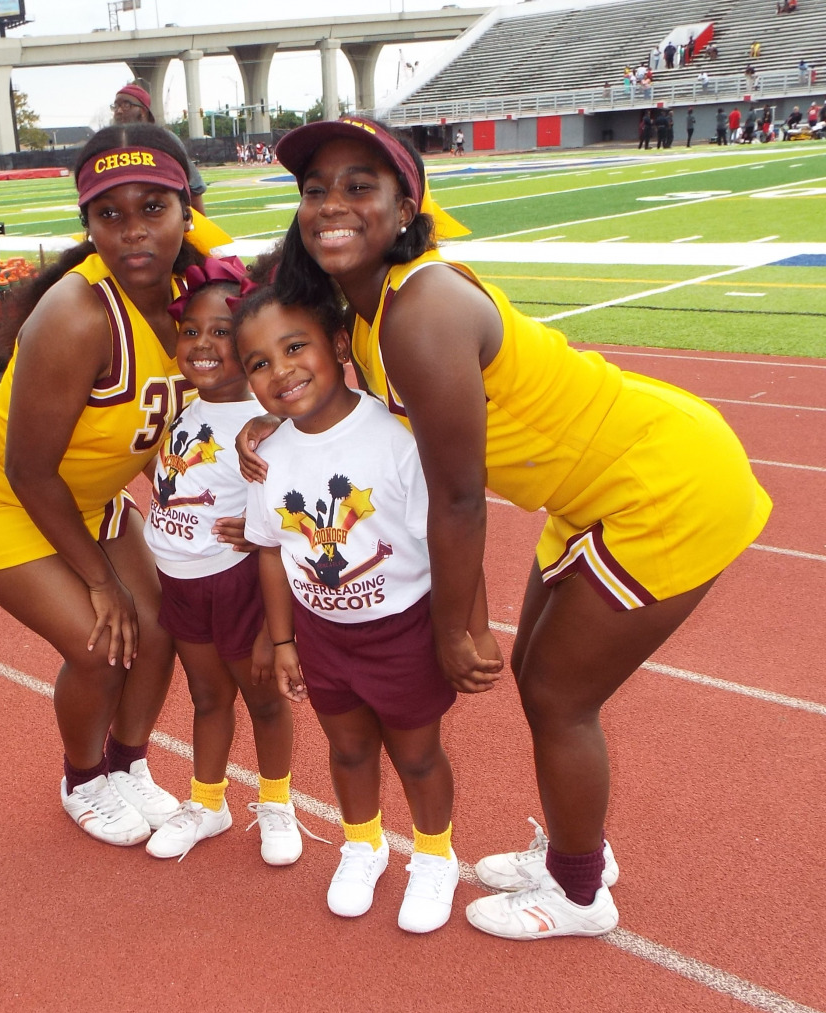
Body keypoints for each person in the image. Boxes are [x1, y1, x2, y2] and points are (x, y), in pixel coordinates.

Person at [243, 116, 771, 940]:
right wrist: (258, 425)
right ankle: (574, 850)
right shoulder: (375, 305)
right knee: (538, 675)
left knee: (560, 696)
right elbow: (271, 322)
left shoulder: (420, 310)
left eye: (358, 187)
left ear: (404, 205)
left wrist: (455, 626)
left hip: (660, 481)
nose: (331, 205)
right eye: (315, 191)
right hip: (598, 483)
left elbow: (457, 498)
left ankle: (580, 893)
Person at [0, 124, 222, 848]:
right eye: (108, 215)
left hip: (84, 493)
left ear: (189, 208)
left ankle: (126, 763)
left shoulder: (202, 295)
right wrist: (100, 582)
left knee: (163, 627)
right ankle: (82, 778)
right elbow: (28, 469)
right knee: (101, 641)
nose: (132, 232)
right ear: (87, 224)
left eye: (153, 208)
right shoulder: (78, 316)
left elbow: (157, 423)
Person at [236, 277, 498, 934]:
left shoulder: (397, 440)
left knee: (416, 754)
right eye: (260, 363)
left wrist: (470, 630)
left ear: (339, 342)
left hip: (403, 630)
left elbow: (451, 538)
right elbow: (270, 549)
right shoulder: (266, 457)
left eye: (296, 347)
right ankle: (363, 844)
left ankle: (435, 856)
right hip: (324, 636)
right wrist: (284, 639)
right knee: (347, 750)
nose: (281, 371)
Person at [141, 256, 310, 865]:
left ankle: (277, 803)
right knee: (207, 698)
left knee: (263, 699)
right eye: (192, 332)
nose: (204, 345)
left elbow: (290, 517)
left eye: (222, 333)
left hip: (236, 584)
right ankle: (207, 803)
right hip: (181, 582)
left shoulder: (265, 427)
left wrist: (275, 622)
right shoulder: (184, 408)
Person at [111, 82, 207, 214]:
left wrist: (198, 228)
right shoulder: (112, 145)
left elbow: (194, 187)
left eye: (126, 105)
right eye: (116, 106)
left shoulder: (165, 140)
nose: (119, 111)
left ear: (143, 111)